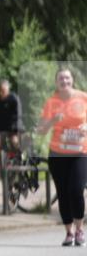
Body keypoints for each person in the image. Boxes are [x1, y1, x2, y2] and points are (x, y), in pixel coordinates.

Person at [36, 68, 87, 246]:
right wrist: (52, 121)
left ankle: (80, 229)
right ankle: (68, 232)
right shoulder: (51, 102)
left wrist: (86, 127)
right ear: (56, 82)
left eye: (67, 77)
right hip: (58, 154)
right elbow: (41, 131)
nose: (64, 81)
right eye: (60, 79)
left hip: (80, 152)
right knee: (63, 193)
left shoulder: (83, 97)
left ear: (72, 79)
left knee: (76, 190)